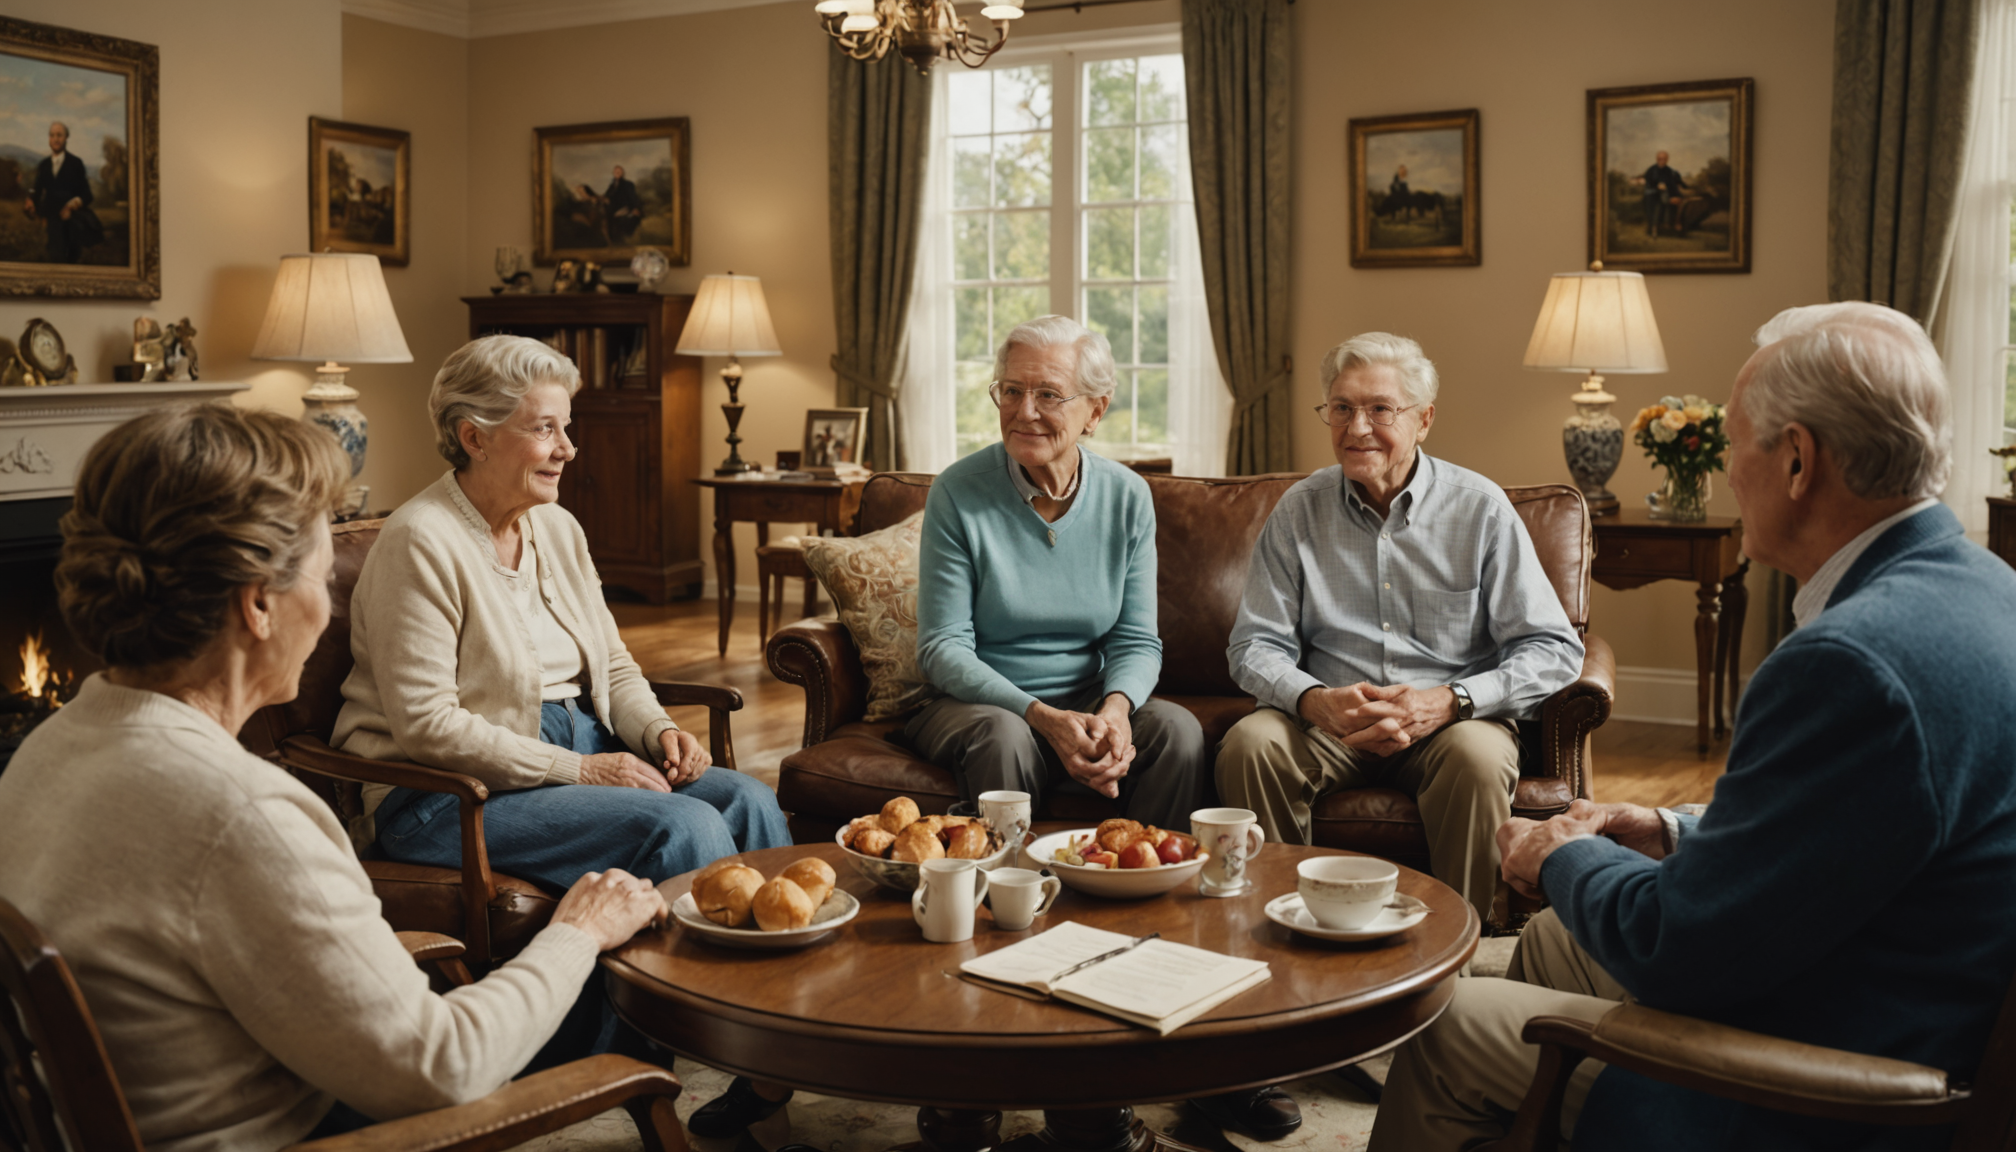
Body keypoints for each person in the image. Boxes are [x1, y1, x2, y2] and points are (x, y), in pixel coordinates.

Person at [1369, 302, 2016, 1151]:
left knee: (1450, 1023)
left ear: (1795, 461)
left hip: (1821, 1079)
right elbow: (1855, 827)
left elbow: (1678, 946)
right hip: (1865, 972)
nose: (1722, 475)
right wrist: (1666, 828)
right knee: (1563, 939)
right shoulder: (1988, 589)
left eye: (1734, 445)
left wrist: (1563, 853)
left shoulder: (1849, 662)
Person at [0, 404, 673, 1148]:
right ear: (258, 604)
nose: (324, 614)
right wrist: (580, 931)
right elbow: (444, 1068)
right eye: (321, 580)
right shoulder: (245, 813)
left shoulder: (48, 746)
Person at [334, 334, 789, 893]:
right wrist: (585, 770)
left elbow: (613, 665)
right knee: (683, 825)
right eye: (544, 428)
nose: (568, 449)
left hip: (578, 749)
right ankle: (684, 982)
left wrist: (658, 730)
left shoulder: (557, 526)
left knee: (750, 799)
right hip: (443, 792)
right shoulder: (419, 540)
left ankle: (783, 976)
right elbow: (429, 725)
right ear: (473, 438)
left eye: (565, 427)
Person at [1216, 332, 1584, 929]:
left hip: (1449, 723)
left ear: (1424, 419)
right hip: (1328, 723)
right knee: (1251, 743)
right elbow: (1254, 644)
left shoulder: (1481, 510)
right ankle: (1278, 926)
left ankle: (1460, 940)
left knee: (1478, 756)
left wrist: (1451, 701)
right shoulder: (1298, 510)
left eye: (1380, 409)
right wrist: (1313, 701)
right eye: (1341, 408)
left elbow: (1553, 649)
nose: (1357, 427)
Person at [906, 314, 1207, 833]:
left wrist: (1114, 712)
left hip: (1086, 697)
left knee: (1176, 730)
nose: (1025, 412)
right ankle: (1011, 900)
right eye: (1012, 390)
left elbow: (1137, 639)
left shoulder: (1127, 496)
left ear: (1096, 410)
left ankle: (1145, 893)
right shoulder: (958, 492)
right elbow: (942, 647)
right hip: (977, 706)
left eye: (1049, 394)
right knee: (1004, 735)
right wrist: (1041, 716)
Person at [24, 121, 97, 263]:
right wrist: (31, 200)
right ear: (49, 139)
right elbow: (36, 190)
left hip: (71, 222)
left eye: (59, 135)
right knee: (52, 258)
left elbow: (87, 195)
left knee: (70, 261)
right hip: (50, 222)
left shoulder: (75, 163)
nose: (55, 139)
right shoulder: (44, 164)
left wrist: (72, 205)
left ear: (66, 138)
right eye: (52, 135)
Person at [1633, 150, 1687, 238]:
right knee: (1653, 204)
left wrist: (1677, 195)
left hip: (1665, 194)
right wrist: (1657, 186)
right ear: (1657, 159)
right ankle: (1653, 228)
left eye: (1664, 159)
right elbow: (1648, 182)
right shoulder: (1651, 170)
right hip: (1652, 193)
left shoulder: (1669, 171)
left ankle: (1673, 226)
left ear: (1667, 160)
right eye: (1660, 159)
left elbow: (1673, 184)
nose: (1662, 160)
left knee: (1675, 202)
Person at [604, 164, 643, 244]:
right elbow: (607, 196)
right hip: (613, 208)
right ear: (613, 173)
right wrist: (606, 200)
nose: (617, 173)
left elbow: (633, 197)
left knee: (621, 219)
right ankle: (611, 239)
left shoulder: (628, 184)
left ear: (622, 173)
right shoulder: (612, 186)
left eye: (619, 172)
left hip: (626, 207)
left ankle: (620, 238)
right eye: (616, 172)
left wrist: (635, 208)